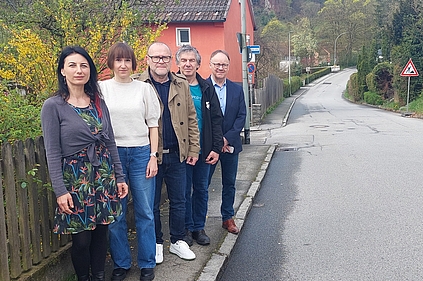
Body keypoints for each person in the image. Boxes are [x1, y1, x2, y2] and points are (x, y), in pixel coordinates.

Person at [41, 46, 128, 281]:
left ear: (90, 70)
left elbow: (110, 142)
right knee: (81, 239)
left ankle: (98, 276)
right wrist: (60, 191)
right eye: (72, 65)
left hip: (103, 175)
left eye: (84, 65)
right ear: (62, 71)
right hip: (75, 179)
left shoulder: (98, 102)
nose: (79, 70)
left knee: (102, 232)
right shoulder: (53, 106)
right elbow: (52, 151)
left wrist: (119, 177)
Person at [132, 42, 200, 263]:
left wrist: (194, 149)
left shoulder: (181, 83)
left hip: (178, 153)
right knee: (151, 203)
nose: (161, 61)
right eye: (156, 57)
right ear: (148, 59)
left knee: (179, 200)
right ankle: (157, 242)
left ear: (171, 60)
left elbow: (191, 118)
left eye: (165, 58)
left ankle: (178, 241)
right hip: (150, 155)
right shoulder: (137, 84)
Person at [99, 42, 160, 281]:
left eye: (127, 60)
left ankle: (147, 263)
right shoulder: (101, 89)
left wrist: (153, 156)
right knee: (116, 214)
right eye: (118, 60)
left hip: (141, 153)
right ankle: (121, 263)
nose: (123, 65)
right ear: (111, 63)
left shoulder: (144, 90)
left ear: (133, 63)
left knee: (145, 211)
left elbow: (153, 125)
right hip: (113, 156)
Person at [175, 45, 223, 246]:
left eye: (191, 60)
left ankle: (198, 228)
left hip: (204, 149)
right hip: (181, 150)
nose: (188, 64)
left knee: (201, 189)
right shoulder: (172, 85)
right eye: (184, 60)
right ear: (177, 64)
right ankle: (185, 228)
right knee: (183, 191)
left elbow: (216, 119)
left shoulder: (206, 87)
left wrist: (216, 147)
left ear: (198, 64)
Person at [207, 49, 247, 235]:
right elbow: (202, 119)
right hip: (209, 147)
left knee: (229, 183)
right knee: (203, 184)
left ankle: (227, 218)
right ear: (210, 65)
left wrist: (226, 138)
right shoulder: (203, 87)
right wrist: (217, 141)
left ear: (228, 67)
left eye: (224, 64)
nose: (220, 67)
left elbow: (241, 117)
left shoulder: (237, 89)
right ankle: (198, 223)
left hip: (231, 145)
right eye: (217, 64)